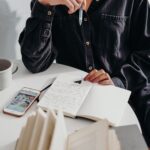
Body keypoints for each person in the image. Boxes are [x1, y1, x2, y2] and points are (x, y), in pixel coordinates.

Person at [19, 0, 150, 147]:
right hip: (72, 106)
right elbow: (34, 63)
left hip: (131, 98)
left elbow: (146, 53)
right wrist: (45, 5)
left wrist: (118, 81)